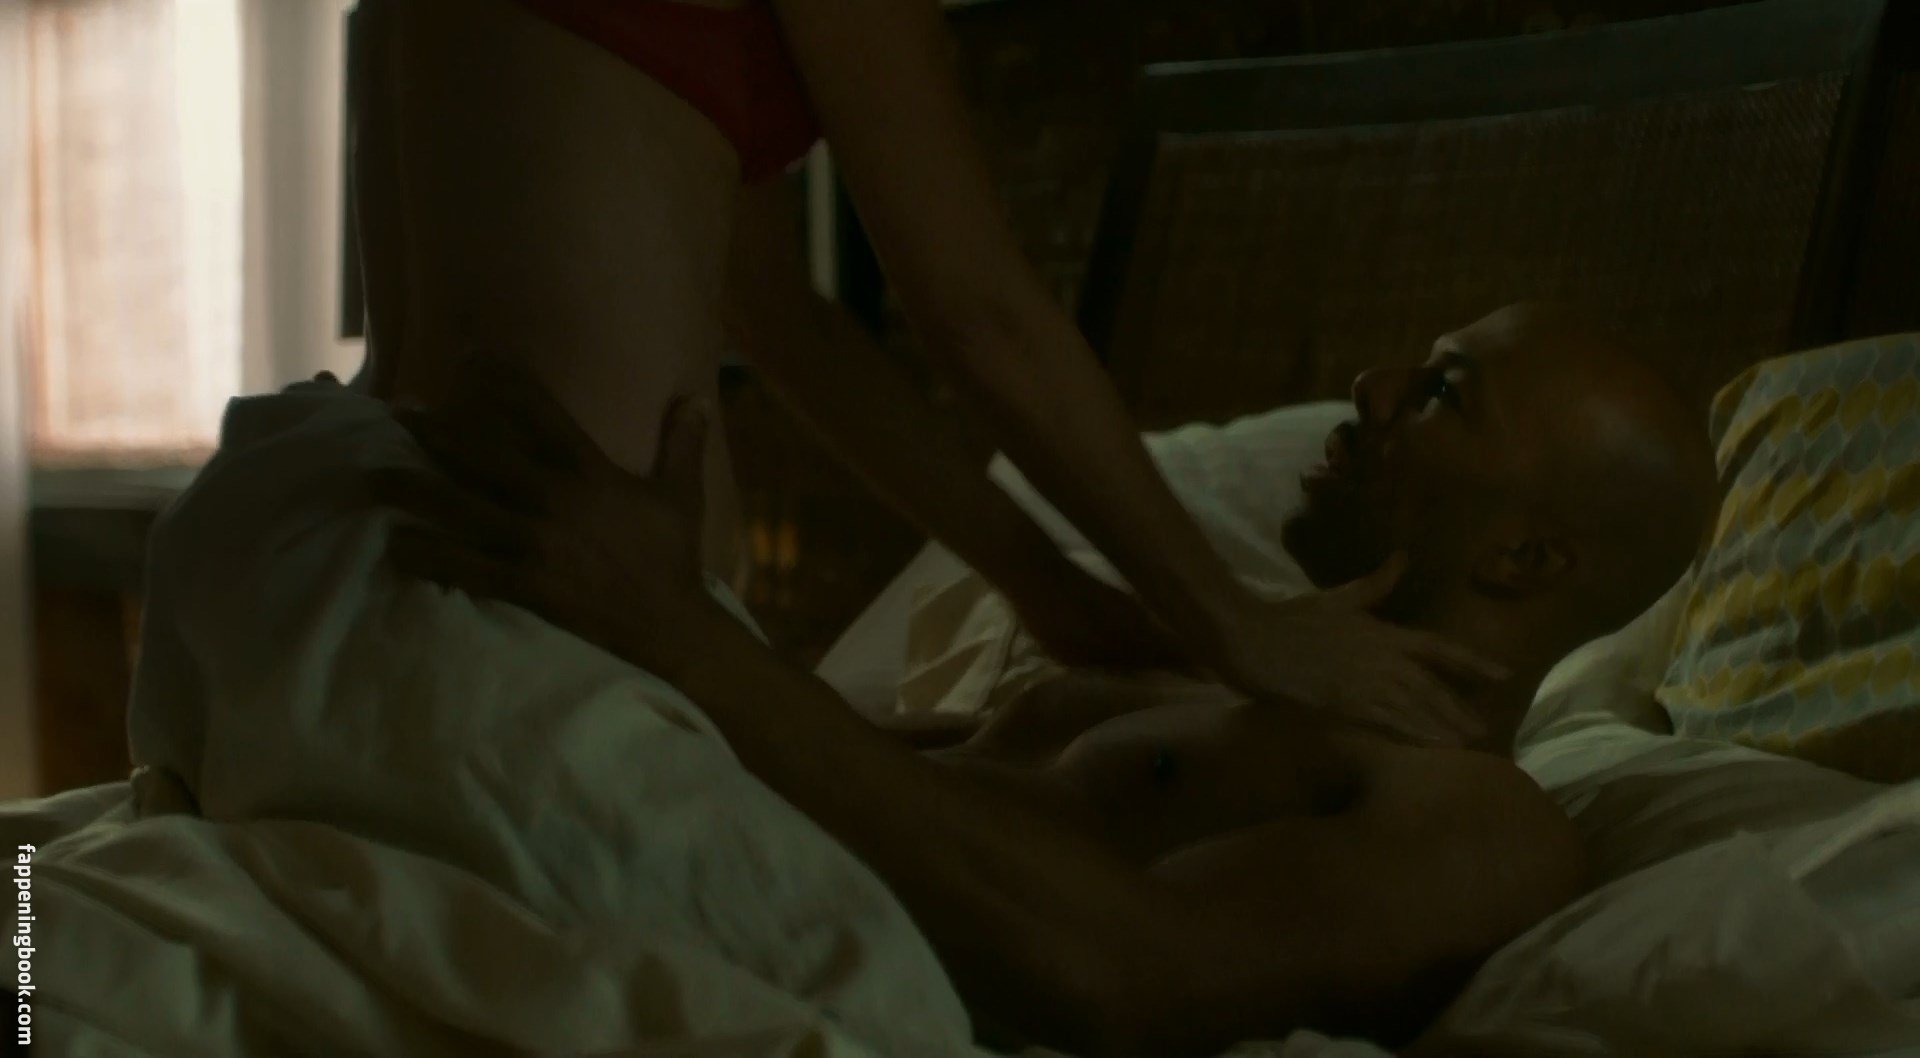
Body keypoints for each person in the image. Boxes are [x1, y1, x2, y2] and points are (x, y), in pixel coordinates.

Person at [370, 302, 1722, 1052]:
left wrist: (683, 634)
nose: (1369, 384)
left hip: (707, 911)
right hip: (645, 823)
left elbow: (1128, 971)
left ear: (1526, 553)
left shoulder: (1483, 820)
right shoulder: (1222, 680)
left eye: (1440, 393)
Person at [342, 0, 1506, 746]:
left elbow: (782, 318)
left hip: (365, 563)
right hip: (542, 637)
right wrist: (1240, 626)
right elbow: (976, 308)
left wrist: (1046, 587)